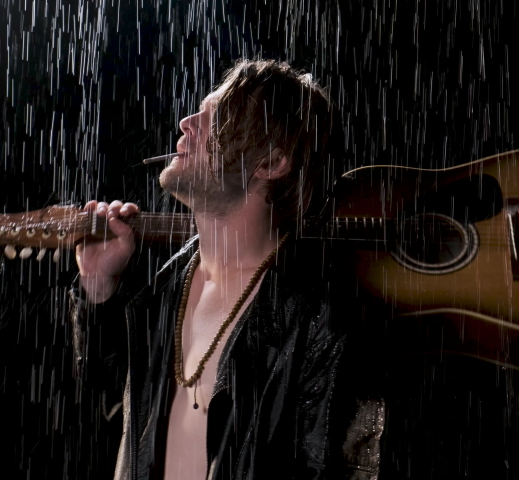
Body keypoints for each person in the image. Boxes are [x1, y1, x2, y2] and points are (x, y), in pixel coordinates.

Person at [70, 59, 384, 480]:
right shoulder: (161, 291)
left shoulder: (321, 321)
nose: (186, 123)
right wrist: (97, 285)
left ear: (270, 163)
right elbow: (115, 409)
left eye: (216, 118)